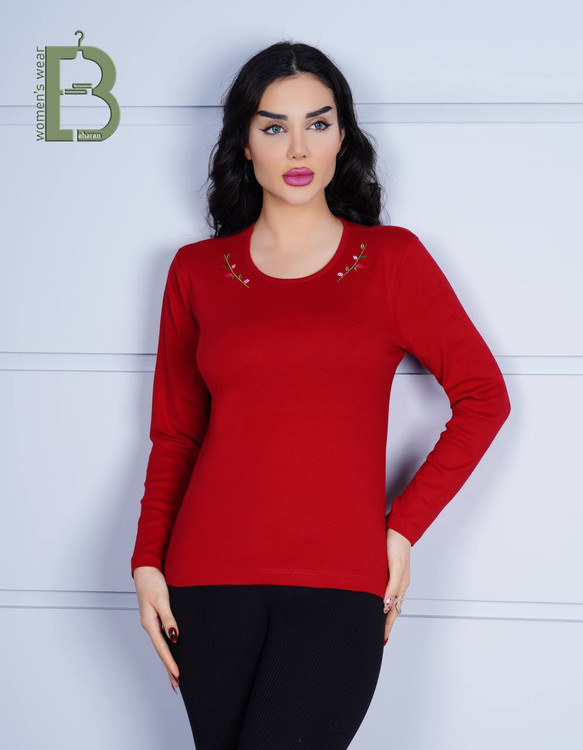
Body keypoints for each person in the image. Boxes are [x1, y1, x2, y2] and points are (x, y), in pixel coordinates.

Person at [130, 41, 511, 750]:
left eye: (319, 123)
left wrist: (402, 529)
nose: (298, 147)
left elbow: (484, 397)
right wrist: (147, 560)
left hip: (340, 581)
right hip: (206, 580)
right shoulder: (197, 272)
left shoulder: (391, 261)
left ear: (343, 136)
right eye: (274, 126)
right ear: (244, 142)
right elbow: (176, 432)